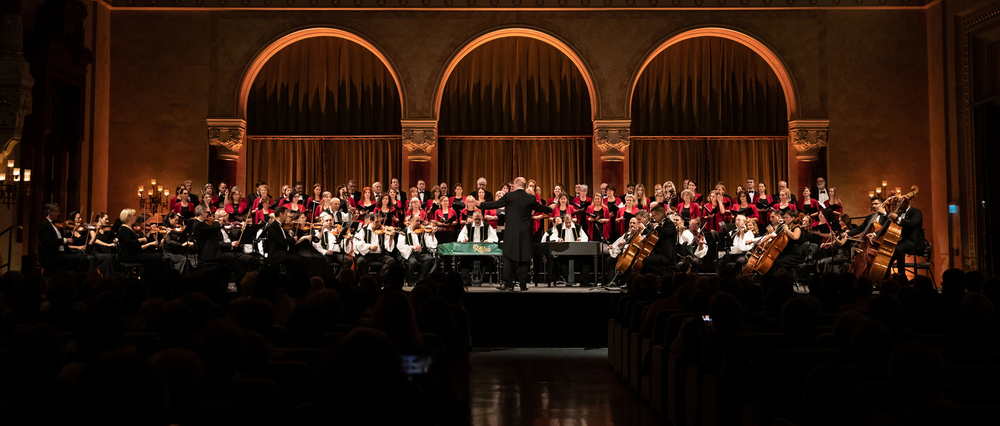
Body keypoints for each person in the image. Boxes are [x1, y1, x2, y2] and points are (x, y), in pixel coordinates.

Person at [475, 177, 553, 291]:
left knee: (508, 256)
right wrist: (551, 208)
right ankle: (523, 285)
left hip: (511, 232)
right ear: (524, 186)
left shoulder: (509, 196)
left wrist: (481, 204)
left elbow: (495, 204)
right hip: (525, 233)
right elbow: (541, 208)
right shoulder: (531, 198)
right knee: (524, 257)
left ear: (516, 185)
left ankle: (509, 284)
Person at [38, 203, 92, 273]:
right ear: (50, 212)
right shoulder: (43, 225)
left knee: (86, 257)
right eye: (56, 211)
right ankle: (78, 279)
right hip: (53, 255)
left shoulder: (56, 224)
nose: (59, 213)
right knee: (82, 259)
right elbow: (49, 241)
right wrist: (65, 240)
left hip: (62, 253)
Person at [542, 213, 592, 286]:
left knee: (587, 259)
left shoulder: (577, 227)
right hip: (563, 252)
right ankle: (568, 280)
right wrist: (558, 239)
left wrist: (580, 239)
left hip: (576, 252)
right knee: (563, 262)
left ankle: (584, 281)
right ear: (564, 221)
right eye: (566, 222)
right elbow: (552, 237)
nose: (568, 224)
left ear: (571, 220)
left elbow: (586, 238)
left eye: (569, 222)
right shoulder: (559, 227)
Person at [636, 204, 677, 274]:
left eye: (654, 215)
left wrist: (657, 227)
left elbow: (668, 232)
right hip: (659, 253)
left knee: (646, 261)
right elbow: (652, 235)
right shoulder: (659, 224)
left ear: (660, 214)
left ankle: (661, 274)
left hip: (666, 255)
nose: (653, 217)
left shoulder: (669, 223)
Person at [353, 213, 398, 278]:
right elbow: (358, 243)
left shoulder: (383, 230)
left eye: (380, 221)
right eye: (377, 222)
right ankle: (366, 278)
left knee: (391, 260)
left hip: (380, 255)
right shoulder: (364, 230)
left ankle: (380, 277)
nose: (379, 224)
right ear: (371, 221)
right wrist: (369, 246)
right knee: (360, 261)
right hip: (368, 254)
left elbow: (388, 247)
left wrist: (391, 238)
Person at [397, 214, 438, 284]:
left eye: (420, 221)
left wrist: (431, 234)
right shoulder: (404, 232)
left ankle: (421, 279)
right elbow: (400, 245)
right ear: (411, 221)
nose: (419, 223)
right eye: (417, 221)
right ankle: (410, 280)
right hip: (410, 254)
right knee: (413, 262)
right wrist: (412, 247)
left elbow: (431, 245)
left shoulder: (422, 231)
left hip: (420, 254)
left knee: (429, 259)